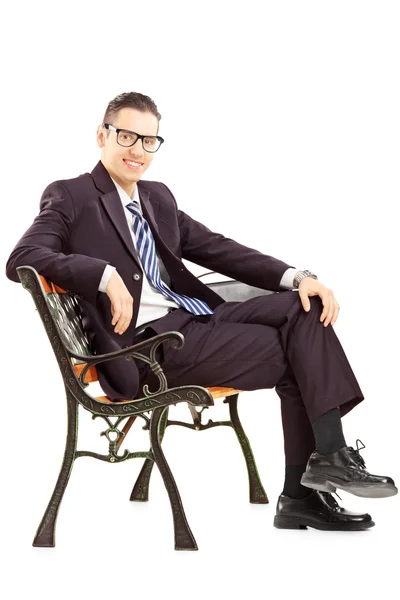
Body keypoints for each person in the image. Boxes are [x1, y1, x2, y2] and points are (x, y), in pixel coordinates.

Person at [6, 91, 397, 532]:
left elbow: (218, 249)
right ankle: (306, 489)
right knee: (302, 350)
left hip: (196, 323)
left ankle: (325, 462)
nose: (138, 150)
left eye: (150, 140)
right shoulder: (72, 195)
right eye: (128, 136)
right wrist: (102, 274)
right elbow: (23, 256)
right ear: (102, 134)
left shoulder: (157, 198)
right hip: (150, 348)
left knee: (305, 307)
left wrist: (297, 275)